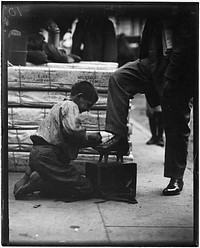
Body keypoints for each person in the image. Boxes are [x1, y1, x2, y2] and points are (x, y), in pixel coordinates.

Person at [94, 6, 197, 196]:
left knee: (176, 123)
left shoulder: (190, 12)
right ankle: (119, 138)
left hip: (181, 68)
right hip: (154, 62)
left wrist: (170, 80)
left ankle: (176, 176)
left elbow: (187, 50)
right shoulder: (155, 9)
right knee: (119, 79)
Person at [13, 81, 102, 201]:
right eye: (88, 105)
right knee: (86, 186)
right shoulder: (71, 106)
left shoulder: (59, 106)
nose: (87, 110)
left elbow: (67, 138)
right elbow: (73, 130)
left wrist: (88, 142)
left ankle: (37, 180)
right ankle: (40, 182)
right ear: (79, 97)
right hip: (48, 156)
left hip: (37, 153)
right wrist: (89, 137)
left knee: (62, 177)